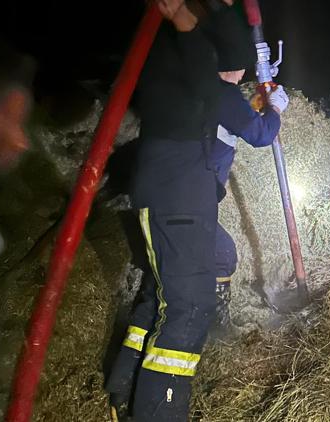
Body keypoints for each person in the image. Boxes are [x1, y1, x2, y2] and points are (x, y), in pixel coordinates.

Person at [104, 1, 251, 420]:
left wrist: (216, 12)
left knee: (164, 293)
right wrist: (188, 25)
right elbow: (210, 88)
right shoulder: (167, 37)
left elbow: (236, 59)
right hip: (176, 184)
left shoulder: (185, 32)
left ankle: (125, 388)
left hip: (183, 184)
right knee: (188, 307)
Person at [208, 22, 289, 330]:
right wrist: (276, 111)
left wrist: (262, 106)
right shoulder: (223, 95)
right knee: (222, 254)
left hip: (183, 187)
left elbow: (238, 120)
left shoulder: (206, 91)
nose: (243, 75)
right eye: (240, 68)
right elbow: (261, 134)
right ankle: (216, 328)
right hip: (192, 193)